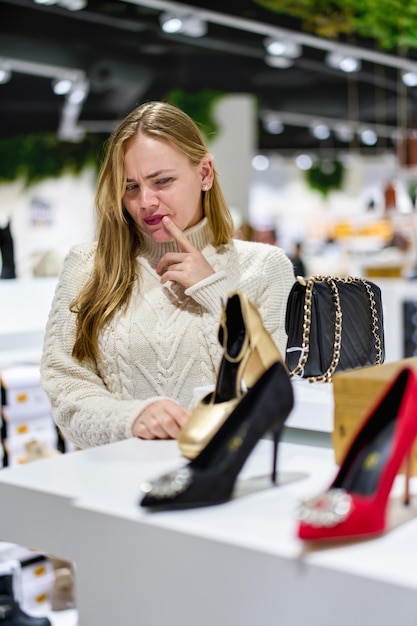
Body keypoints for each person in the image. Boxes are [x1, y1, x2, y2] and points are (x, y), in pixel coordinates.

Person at [40, 100, 295, 450]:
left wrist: (214, 292)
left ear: (205, 174)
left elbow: (271, 391)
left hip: (224, 476)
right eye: (130, 187)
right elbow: (66, 384)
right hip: (109, 479)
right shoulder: (88, 265)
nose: (145, 202)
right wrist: (131, 419)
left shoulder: (264, 267)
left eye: (162, 181)